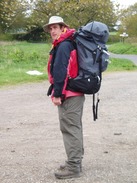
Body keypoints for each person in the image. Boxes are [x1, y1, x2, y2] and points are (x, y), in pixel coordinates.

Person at [43, 16, 85, 179]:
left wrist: (58, 94)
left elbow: (60, 71)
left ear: (63, 28)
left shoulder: (64, 45)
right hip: (76, 93)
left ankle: (73, 166)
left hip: (69, 95)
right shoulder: (69, 43)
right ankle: (75, 161)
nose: (52, 31)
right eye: (51, 28)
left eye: (55, 27)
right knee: (74, 128)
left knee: (70, 129)